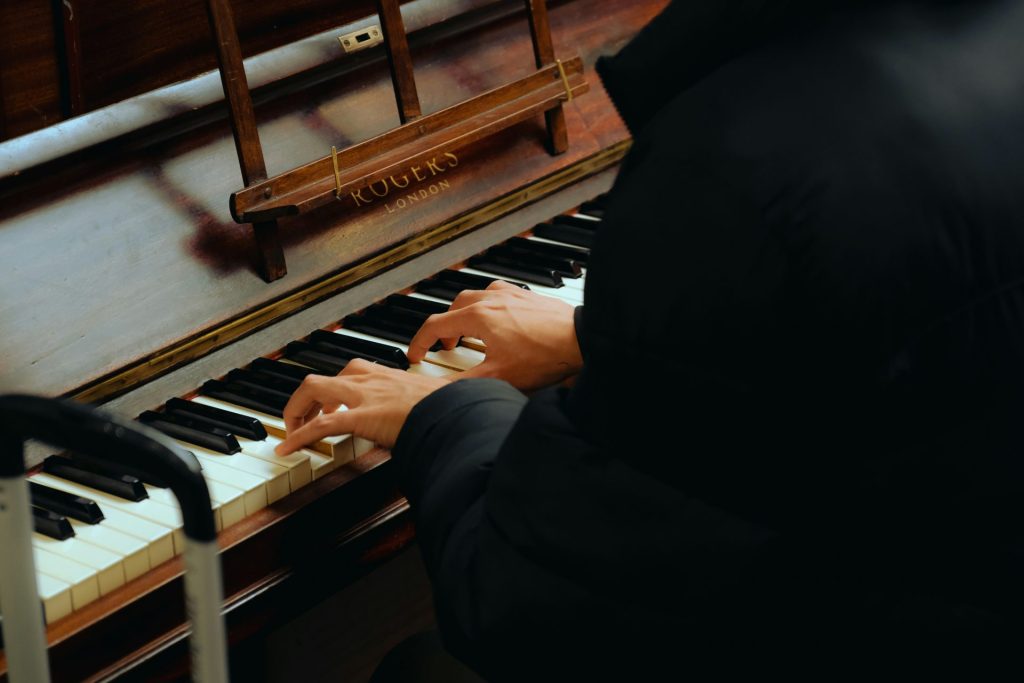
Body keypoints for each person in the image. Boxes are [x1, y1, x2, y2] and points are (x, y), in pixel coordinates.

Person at [276, 0, 1024, 677]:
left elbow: (527, 606)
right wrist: (594, 336)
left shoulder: (734, 159)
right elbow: (896, 330)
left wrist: (441, 414)